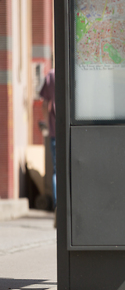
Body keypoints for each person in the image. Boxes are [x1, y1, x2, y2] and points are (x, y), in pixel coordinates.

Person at [40, 69, 56, 209]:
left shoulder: (50, 76)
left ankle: (58, 207)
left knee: (56, 171)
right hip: (70, 131)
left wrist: (47, 123)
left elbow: (45, 104)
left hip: (54, 132)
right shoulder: (73, 70)